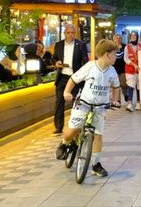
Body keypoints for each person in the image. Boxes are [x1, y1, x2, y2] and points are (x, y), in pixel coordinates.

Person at [54, 39, 120, 178]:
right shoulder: (90, 66)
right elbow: (73, 79)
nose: (116, 56)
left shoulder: (112, 71)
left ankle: (96, 164)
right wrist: (66, 92)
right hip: (83, 104)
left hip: (100, 107)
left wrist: (115, 100)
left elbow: (116, 87)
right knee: (72, 131)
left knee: (98, 135)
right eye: (115, 53)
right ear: (107, 54)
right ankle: (65, 143)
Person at [51, 24, 89, 134]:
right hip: (62, 77)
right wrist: (56, 63)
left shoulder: (80, 45)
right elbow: (54, 58)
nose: (70, 35)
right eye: (68, 33)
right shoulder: (58, 45)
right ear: (64, 33)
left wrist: (83, 75)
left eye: (72, 33)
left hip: (75, 78)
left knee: (77, 102)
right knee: (59, 102)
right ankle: (58, 127)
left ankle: (76, 124)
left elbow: (85, 60)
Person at [124, 32, 141, 111]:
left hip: (140, 70)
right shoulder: (127, 47)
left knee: (139, 87)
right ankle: (129, 104)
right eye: (131, 35)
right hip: (130, 70)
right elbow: (125, 58)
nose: (133, 37)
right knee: (130, 86)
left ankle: (139, 103)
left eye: (134, 35)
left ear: (137, 36)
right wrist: (133, 65)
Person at [112, 34, 128, 108]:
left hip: (123, 68)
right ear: (114, 39)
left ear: (121, 39)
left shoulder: (125, 46)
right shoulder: (111, 47)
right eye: (116, 38)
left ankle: (125, 94)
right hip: (114, 69)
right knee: (116, 85)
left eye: (119, 38)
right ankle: (118, 101)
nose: (118, 39)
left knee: (123, 84)